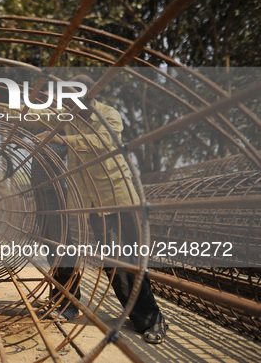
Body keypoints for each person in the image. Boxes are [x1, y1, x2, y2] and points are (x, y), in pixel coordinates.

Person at [35, 74, 167, 344]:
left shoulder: (109, 115)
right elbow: (32, 115)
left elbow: (103, 144)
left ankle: (152, 319)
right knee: (112, 263)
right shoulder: (69, 117)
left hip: (120, 199)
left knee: (130, 261)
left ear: (88, 97)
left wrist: (63, 140)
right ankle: (138, 316)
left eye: (72, 99)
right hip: (95, 204)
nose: (67, 105)